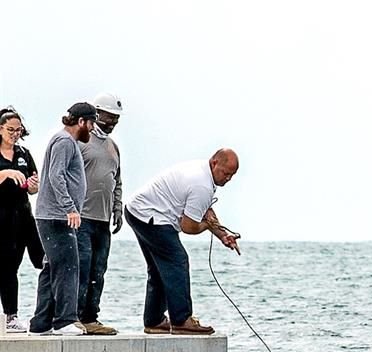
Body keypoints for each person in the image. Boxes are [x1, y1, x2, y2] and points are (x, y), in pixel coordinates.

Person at [124, 149, 240, 334]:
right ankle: (181, 320)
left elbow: (206, 210)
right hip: (150, 216)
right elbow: (189, 226)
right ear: (214, 163)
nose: (228, 178)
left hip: (136, 211)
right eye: (226, 173)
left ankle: (153, 321)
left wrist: (222, 235)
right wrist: (206, 226)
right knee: (178, 260)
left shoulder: (204, 174)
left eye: (232, 175)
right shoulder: (201, 184)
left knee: (159, 268)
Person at [28, 103, 99, 336]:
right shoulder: (65, 142)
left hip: (53, 215)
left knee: (53, 268)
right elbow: (55, 175)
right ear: (81, 122)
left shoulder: (65, 141)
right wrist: (70, 208)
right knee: (68, 267)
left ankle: (40, 324)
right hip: (57, 216)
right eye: (91, 123)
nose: (92, 128)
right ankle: (64, 321)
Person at [76, 93, 125, 335]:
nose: (112, 123)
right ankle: (74, 317)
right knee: (82, 268)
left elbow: (117, 181)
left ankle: (91, 317)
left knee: (98, 270)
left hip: (103, 219)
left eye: (116, 119)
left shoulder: (113, 147)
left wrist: (118, 208)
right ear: (96, 114)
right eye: (108, 117)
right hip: (81, 217)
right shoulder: (81, 141)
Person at [0, 107, 41, 333]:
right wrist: (5, 173)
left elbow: (33, 184)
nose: (15, 134)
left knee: (43, 261)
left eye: (18, 130)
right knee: (7, 267)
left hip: (24, 216)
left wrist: (33, 186)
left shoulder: (24, 153)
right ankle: (10, 316)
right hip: (2, 219)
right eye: (10, 130)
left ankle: (49, 314)